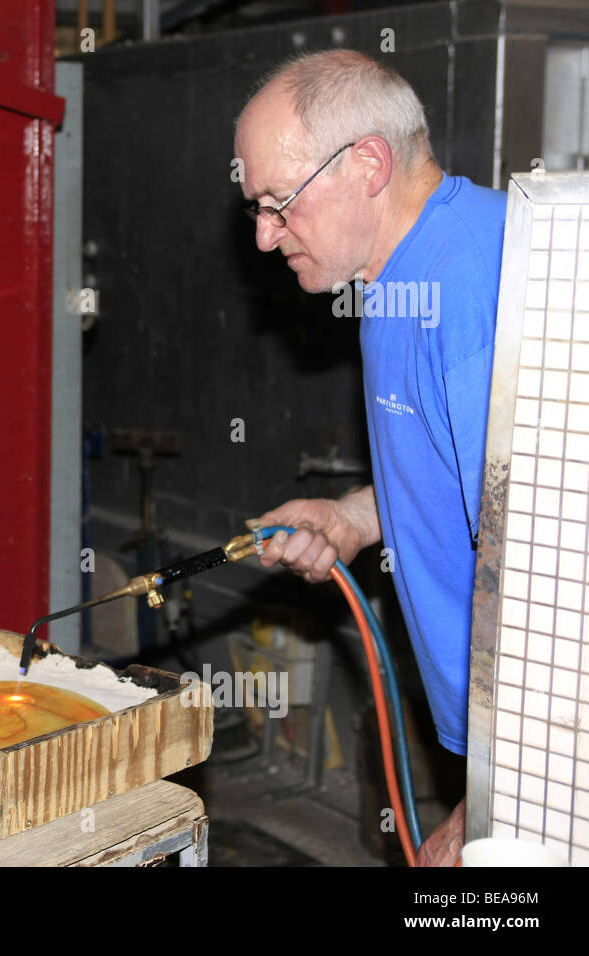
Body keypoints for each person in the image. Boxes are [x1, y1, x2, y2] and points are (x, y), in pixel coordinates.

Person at [233, 49, 507, 866]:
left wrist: (492, 807)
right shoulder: (394, 272)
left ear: (367, 164)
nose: (262, 235)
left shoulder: (473, 294)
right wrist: (354, 517)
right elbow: (462, 465)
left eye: (278, 203)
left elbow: (558, 583)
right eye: (254, 207)